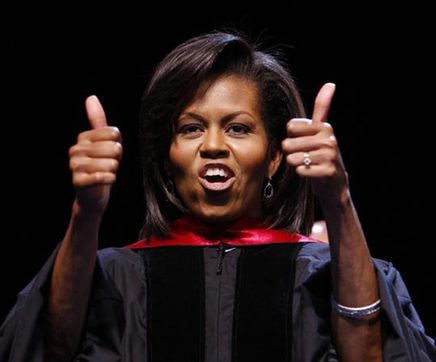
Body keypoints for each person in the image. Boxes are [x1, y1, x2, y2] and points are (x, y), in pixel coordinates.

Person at [0, 31, 434, 362]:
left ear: (273, 158)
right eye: (191, 128)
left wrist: (337, 200)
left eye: (238, 127)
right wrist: (86, 212)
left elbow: (372, 356)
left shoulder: (323, 274)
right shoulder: (117, 277)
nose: (212, 145)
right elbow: (50, 349)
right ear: (168, 158)